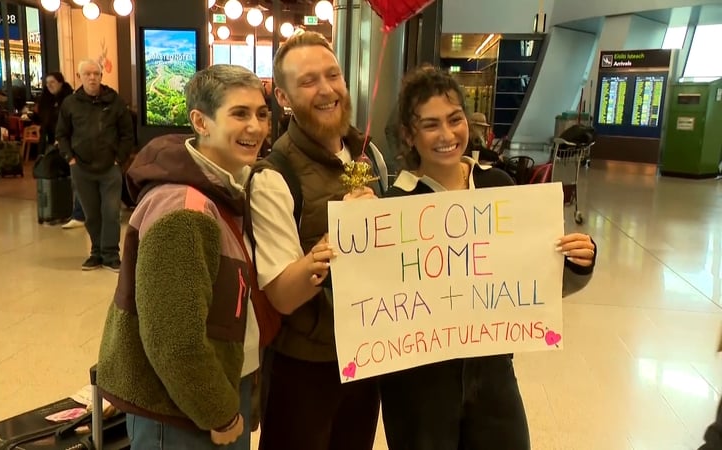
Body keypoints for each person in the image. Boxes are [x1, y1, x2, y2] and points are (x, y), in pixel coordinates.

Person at [378, 66, 598, 450]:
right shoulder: (393, 208)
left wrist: (577, 264)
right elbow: (370, 298)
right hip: (418, 386)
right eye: (430, 125)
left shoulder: (500, 189)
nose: (447, 135)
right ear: (409, 135)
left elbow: (534, 282)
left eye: (455, 119)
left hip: (493, 372)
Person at [96, 64, 269, 449]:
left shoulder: (223, 189)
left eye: (261, 113)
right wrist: (218, 410)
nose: (256, 127)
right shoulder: (184, 210)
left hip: (208, 395)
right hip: (179, 413)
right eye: (239, 114)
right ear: (200, 122)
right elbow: (173, 342)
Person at [247, 30, 386, 450]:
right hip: (303, 368)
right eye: (308, 81)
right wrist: (342, 233)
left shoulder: (372, 156)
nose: (326, 90)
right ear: (284, 98)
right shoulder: (274, 176)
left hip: (366, 358)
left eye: (333, 75)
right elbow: (284, 297)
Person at [56, 60, 133, 272]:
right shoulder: (70, 104)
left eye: (96, 74)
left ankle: (111, 254)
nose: (92, 77)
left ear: (101, 76)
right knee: (91, 214)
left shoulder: (115, 101)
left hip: (110, 168)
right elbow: (61, 134)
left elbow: (127, 134)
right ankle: (96, 253)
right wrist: (69, 158)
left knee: (111, 212)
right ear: (79, 76)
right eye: (87, 74)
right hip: (81, 168)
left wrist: (119, 159)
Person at [30, 71, 84, 229]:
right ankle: (60, 209)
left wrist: (62, 140)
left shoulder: (70, 99)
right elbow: (45, 122)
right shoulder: (47, 100)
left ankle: (78, 212)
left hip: (68, 143)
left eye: (53, 82)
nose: (50, 86)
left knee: (75, 177)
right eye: (47, 83)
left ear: (61, 82)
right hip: (51, 144)